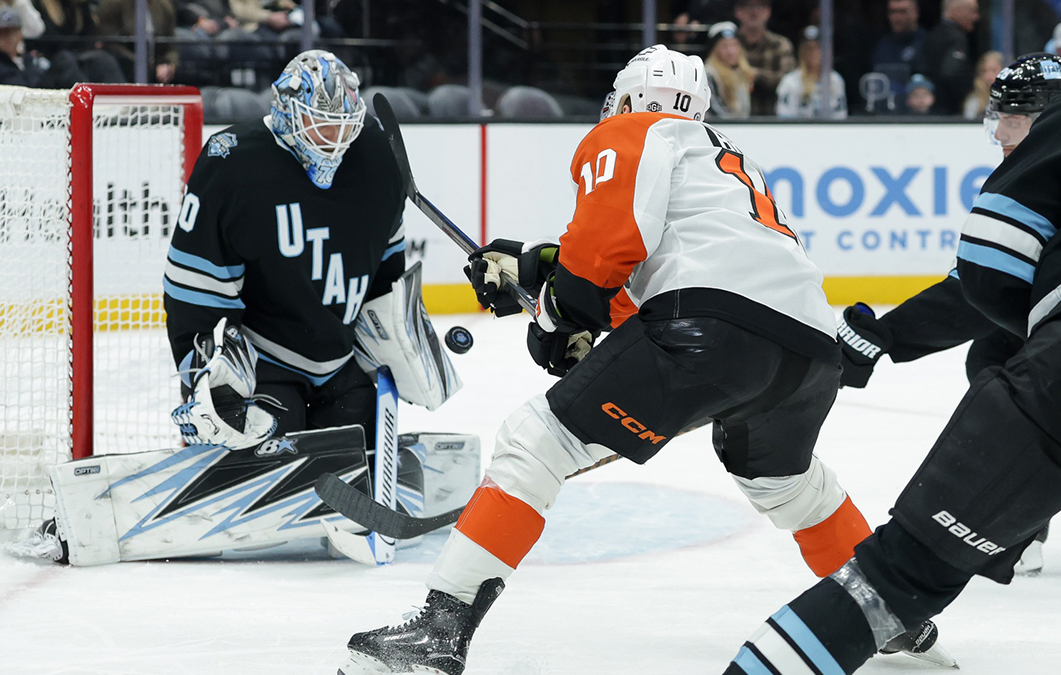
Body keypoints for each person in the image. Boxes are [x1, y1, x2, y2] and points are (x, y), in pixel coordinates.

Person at [337, 44, 943, 675]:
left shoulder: (631, 130)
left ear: (628, 99)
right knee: (786, 483)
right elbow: (650, 286)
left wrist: (558, 316)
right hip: (808, 354)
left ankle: (438, 630)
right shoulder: (721, 159)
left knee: (536, 443)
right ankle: (888, 612)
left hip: (712, 331)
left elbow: (605, 257)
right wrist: (540, 273)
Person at [721, 53, 1061, 675]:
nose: (999, 141)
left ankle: (1017, 510)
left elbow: (984, 281)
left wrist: (880, 336)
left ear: (1039, 117)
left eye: (1006, 124)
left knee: (900, 572)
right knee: (1001, 351)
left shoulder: (1047, 152)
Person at [163, 49, 406, 452]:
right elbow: (194, 287)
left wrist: (398, 340)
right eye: (321, 127)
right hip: (264, 363)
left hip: (342, 361)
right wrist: (205, 376)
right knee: (260, 470)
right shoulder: (233, 163)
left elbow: (386, 264)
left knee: (358, 460)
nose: (336, 142)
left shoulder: (375, 155)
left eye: (345, 128)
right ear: (287, 114)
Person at [732, 0, 794, 116]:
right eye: (748, 6)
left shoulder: (780, 44)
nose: (754, 12)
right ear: (738, 11)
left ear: (768, 11)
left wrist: (755, 75)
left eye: (760, 6)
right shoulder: (727, 45)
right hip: (733, 118)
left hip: (773, 118)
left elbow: (789, 82)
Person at [921, 0, 979, 115]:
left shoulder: (933, 33)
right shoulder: (955, 38)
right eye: (972, 11)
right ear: (956, 10)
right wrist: (965, 97)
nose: (976, 17)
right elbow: (952, 74)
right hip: (948, 111)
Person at [776, 25, 846, 119]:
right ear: (802, 51)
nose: (813, 52)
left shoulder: (835, 80)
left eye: (818, 47)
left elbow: (840, 116)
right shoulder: (790, 81)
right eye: (808, 48)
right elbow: (784, 117)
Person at [871, 0, 928, 112]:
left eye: (903, 12)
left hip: (917, 114)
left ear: (915, 13)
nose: (897, 17)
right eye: (893, 12)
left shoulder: (927, 43)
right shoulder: (882, 45)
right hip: (884, 113)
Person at [705, 21, 754, 118]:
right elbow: (715, 112)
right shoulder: (709, 74)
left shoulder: (743, 72)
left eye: (734, 45)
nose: (730, 51)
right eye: (724, 46)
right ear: (715, 49)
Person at [962, 50, 1004, 119]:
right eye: (984, 71)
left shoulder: (1015, 100)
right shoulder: (974, 101)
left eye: (993, 70)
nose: (988, 77)